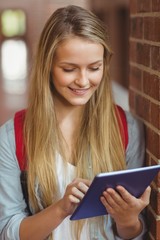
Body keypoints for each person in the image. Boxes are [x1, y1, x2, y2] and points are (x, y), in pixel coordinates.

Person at [0, 5, 151, 240]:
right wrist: (60, 209)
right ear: (47, 65)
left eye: (94, 68)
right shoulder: (13, 136)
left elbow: (134, 232)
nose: (83, 81)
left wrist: (128, 220)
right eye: (69, 69)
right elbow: (8, 231)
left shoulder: (127, 128)